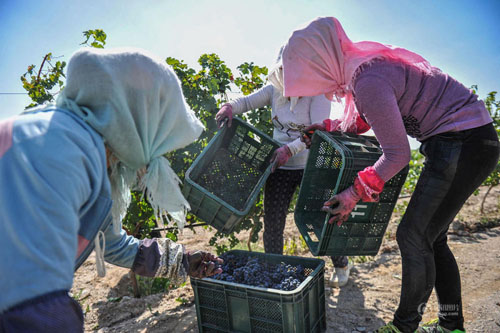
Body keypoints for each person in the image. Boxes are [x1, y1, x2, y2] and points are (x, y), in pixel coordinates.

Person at [281, 17, 499, 333]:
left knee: (411, 234)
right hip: (472, 141)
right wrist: (326, 129)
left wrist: (353, 193)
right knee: (432, 238)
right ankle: (452, 326)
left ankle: (403, 327)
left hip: (461, 142)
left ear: (323, 63)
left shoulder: (367, 80)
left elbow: (398, 154)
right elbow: (366, 120)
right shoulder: (367, 71)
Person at [0, 47, 223, 332]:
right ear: (135, 119)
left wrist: (181, 260)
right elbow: (30, 304)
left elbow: (112, 242)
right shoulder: (63, 151)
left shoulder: (81, 146)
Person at [215, 48, 357, 288]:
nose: (290, 76)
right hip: (279, 168)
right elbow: (247, 101)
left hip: (310, 167)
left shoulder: (319, 93)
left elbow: (318, 130)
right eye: (285, 71)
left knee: (321, 217)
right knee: (273, 223)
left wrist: (289, 150)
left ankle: (342, 263)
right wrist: (230, 106)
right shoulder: (274, 88)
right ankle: (274, 272)